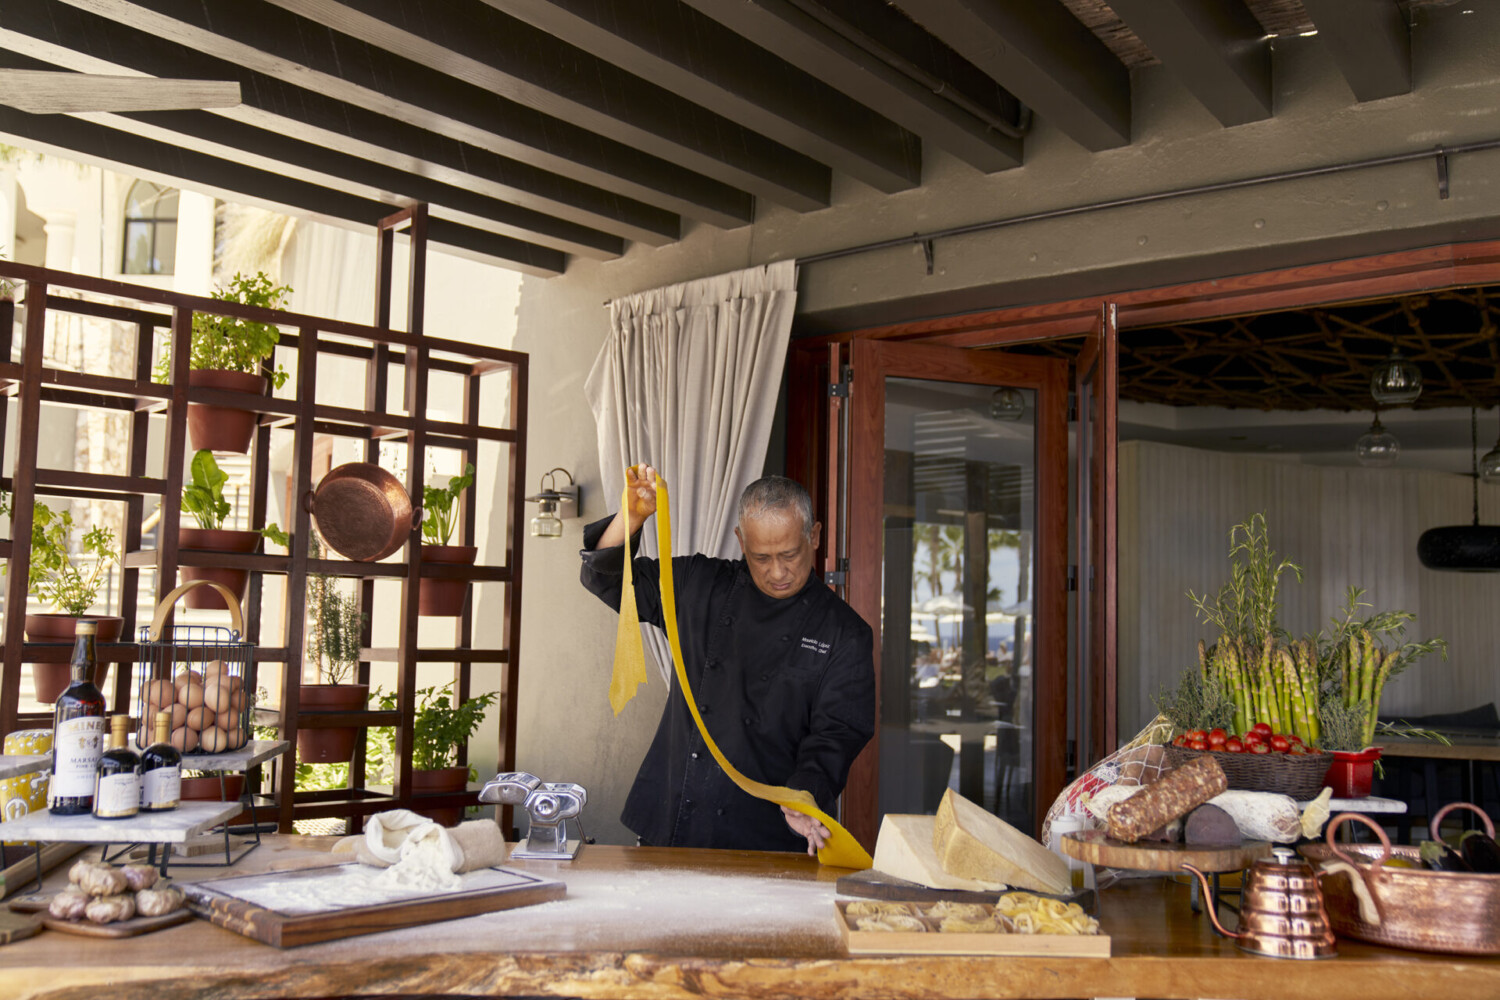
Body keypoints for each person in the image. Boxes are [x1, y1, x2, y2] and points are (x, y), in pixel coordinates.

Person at [580, 464, 875, 855]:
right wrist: (631, 517)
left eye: (789, 554)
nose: (778, 572)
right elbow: (609, 581)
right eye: (761, 557)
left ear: (815, 536)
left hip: (767, 830)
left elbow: (837, 733)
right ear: (740, 541)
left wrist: (806, 793)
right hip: (670, 819)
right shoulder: (697, 585)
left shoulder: (844, 632)